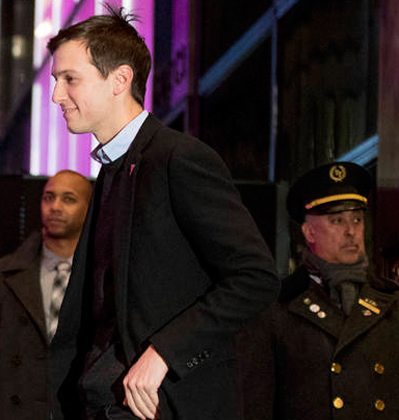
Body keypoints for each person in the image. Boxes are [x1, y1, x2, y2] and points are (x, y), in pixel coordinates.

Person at [44, 8, 279, 420]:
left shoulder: (178, 158)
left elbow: (255, 277)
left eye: (70, 79)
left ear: (120, 80)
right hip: (102, 403)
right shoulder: (112, 171)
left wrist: (164, 353)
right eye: (55, 81)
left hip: (162, 405)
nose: (56, 95)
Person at [238, 161, 399, 419]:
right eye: (337, 220)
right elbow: (255, 406)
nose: (350, 231)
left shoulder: (391, 303)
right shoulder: (276, 310)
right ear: (310, 232)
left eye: (357, 219)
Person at [0, 170, 92, 420]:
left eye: (69, 199)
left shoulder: (103, 279)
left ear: (89, 208)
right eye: (49, 197)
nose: (55, 207)